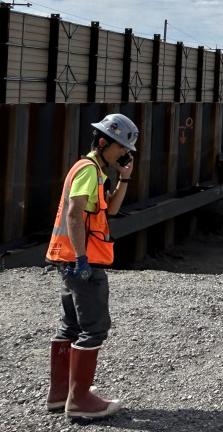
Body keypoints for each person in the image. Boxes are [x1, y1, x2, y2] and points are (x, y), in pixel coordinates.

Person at [45, 113, 138, 420]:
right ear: (102, 143)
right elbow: (73, 214)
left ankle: (61, 395)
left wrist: (124, 178)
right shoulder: (88, 170)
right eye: (120, 148)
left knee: (71, 326)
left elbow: (111, 209)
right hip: (82, 261)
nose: (123, 153)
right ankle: (80, 401)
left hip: (69, 259)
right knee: (94, 327)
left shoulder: (94, 171)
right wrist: (82, 258)